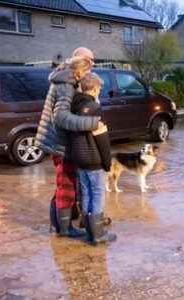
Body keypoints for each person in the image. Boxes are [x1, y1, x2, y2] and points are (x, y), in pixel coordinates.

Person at [36, 47, 103, 238]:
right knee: (66, 186)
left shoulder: (66, 78)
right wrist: (91, 123)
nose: (91, 69)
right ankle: (65, 230)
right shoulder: (66, 83)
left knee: (62, 184)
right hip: (60, 142)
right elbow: (61, 117)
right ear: (82, 63)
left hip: (59, 141)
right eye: (90, 64)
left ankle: (56, 225)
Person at [70, 72, 117, 245]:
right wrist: (107, 161)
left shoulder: (72, 106)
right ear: (95, 88)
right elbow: (101, 138)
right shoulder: (94, 108)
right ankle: (97, 235)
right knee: (97, 194)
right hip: (94, 159)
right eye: (100, 89)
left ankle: (89, 232)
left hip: (79, 159)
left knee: (87, 194)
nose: (100, 92)